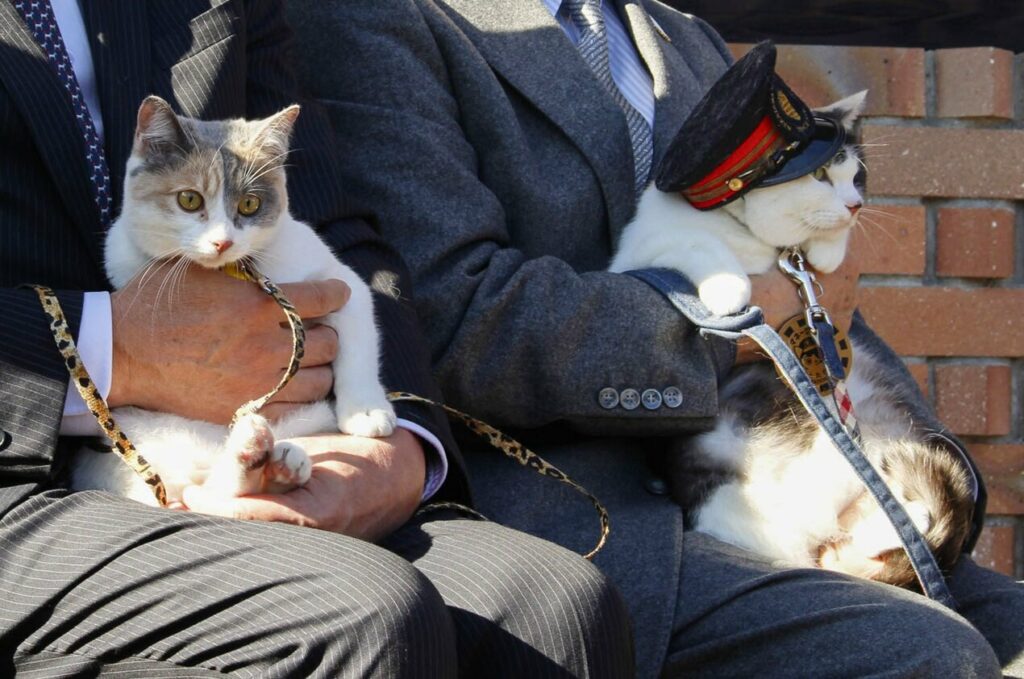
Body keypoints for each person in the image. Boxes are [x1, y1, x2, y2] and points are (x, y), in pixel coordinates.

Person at [287, 0, 1024, 676]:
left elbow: (812, 296)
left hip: (796, 479)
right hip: (577, 520)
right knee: (922, 654)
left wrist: (927, 470)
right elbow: (452, 316)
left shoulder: (682, 36)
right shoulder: (378, 19)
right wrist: (731, 329)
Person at [0, 1, 634, 676]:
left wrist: (399, 446)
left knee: (555, 603)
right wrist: (114, 351)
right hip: (29, 484)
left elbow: (333, 226)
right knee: (366, 614)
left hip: (283, 439)